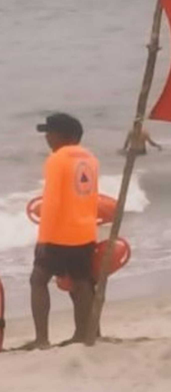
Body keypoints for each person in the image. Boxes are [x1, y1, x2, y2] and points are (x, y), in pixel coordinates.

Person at [26, 113, 99, 349]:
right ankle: (83, 334)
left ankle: (41, 339)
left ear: (67, 136)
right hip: (85, 232)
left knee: (38, 280)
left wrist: (44, 238)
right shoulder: (90, 158)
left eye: (50, 132)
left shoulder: (57, 159)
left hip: (59, 234)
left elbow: (53, 202)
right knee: (82, 282)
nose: (47, 136)